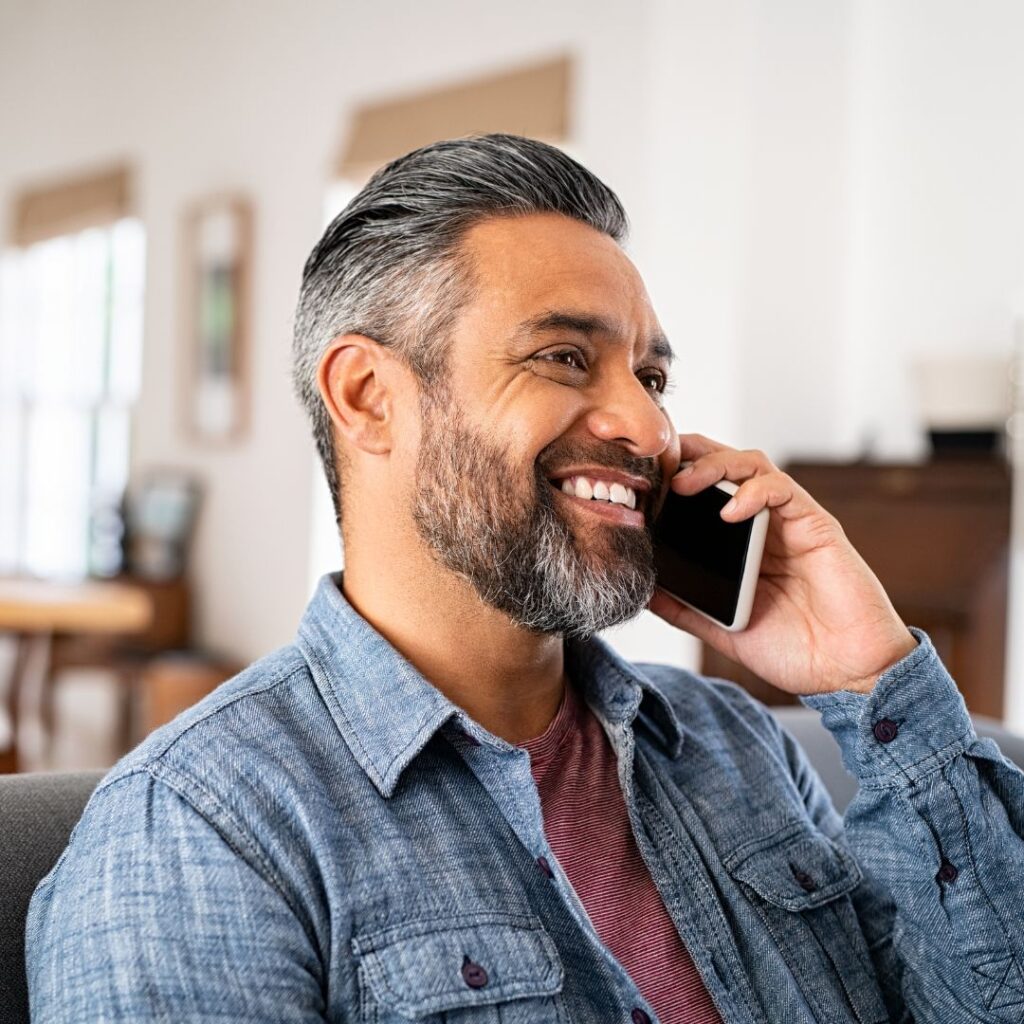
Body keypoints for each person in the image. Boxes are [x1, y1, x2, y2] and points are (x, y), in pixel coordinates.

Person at [26, 134, 1024, 1023]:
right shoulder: (198, 832)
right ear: (368, 396)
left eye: (652, 377)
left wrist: (869, 675)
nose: (647, 427)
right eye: (562, 356)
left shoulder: (737, 749)